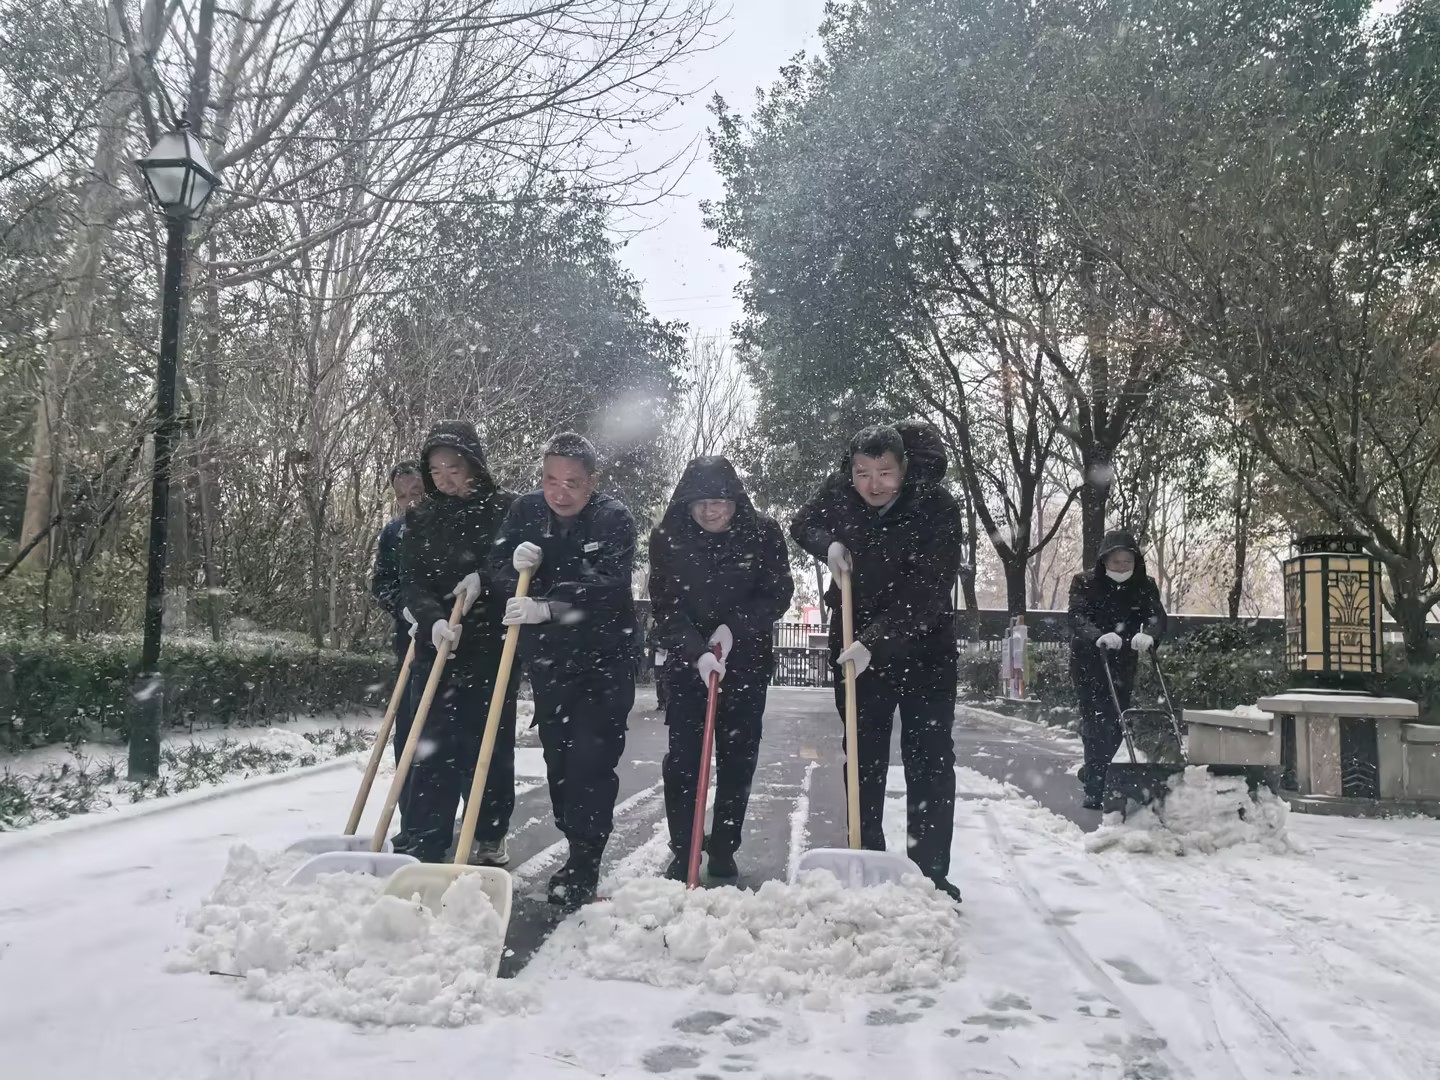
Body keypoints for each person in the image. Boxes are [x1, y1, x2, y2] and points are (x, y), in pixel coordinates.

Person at [790, 424, 965, 903]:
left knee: (928, 759)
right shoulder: (841, 494)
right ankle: (867, 857)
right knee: (862, 758)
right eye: (863, 473)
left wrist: (877, 639)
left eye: (885, 472)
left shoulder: (938, 509)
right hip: (855, 650)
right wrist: (828, 544)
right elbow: (801, 522)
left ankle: (929, 873)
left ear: (905, 469)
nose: (873, 484)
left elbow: (927, 592)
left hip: (924, 650)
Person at [491, 432, 637, 910]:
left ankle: (584, 861)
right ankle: (575, 843)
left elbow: (609, 585)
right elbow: (496, 568)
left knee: (591, 765)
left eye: (572, 483)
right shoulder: (525, 513)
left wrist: (549, 607)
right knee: (559, 764)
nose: (560, 492)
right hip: (551, 664)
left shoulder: (613, 519)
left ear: (591, 483)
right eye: (551, 480)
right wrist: (510, 567)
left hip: (604, 663)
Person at [649, 456, 794, 882]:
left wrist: (735, 629)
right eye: (700, 502)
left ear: (735, 501)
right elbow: (666, 605)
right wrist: (696, 651)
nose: (710, 511)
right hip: (688, 667)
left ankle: (724, 846)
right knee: (684, 762)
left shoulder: (763, 534)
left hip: (746, 664)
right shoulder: (668, 539)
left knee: (737, 759)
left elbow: (777, 593)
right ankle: (685, 848)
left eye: (719, 501)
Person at [396, 421, 518, 865]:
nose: (445, 478)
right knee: (432, 742)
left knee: (486, 743)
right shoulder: (422, 516)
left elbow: (515, 566)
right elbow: (411, 581)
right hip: (439, 644)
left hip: (490, 645)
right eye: (436, 469)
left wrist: (484, 581)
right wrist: (431, 621)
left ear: (474, 464)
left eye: (454, 467)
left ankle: (488, 833)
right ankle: (429, 835)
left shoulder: (507, 509)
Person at [1067, 530, 1168, 810]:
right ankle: (1095, 786)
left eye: (1127, 561)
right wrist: (1097, 635)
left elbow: (1156, 614)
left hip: (1123, 659)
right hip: (1089, 660)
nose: (1122, 567)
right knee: (1096, 721)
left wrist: (1149, 634)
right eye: (1116, 561)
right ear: (1104, 561)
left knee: (1117, 721)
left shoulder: (1143, 584)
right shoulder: (1085, 583)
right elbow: (1076, 615)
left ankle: (1097, 772)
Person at [369, 461, 424, 835]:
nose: (409, 502)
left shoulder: (450, 526)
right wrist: (403, 606)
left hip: (451, 642)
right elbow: (382, 582)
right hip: (409, 642)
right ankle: (411, 822)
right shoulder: (393, 533)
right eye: (402, 496)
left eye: (416, 493)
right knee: (408, 734)